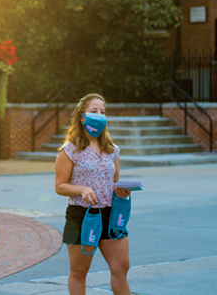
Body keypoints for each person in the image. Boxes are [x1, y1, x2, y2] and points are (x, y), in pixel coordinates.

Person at [54, 93, 131, 295]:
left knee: (121, 268)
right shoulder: (69, 150)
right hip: (82, 215)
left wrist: (122, 193)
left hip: (111, 216)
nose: (99, 115)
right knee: (79, 271)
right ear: (82, 116)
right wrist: (82, 189)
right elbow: (60, 186)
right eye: (94, 111)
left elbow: (114, 182)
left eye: (102, 112)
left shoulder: (112, 150)